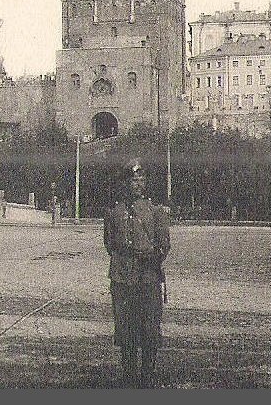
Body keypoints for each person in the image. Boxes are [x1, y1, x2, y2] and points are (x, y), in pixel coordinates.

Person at [103, 159, 170, 388]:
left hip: (148, 277)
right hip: (122, 277)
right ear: (125, 182)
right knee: (125, 326)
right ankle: (129, 374)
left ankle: (148, 374)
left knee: (150, 326)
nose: (138, 184)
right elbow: (110, 244)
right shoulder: (114, 210)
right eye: (134, 179)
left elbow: (164, 245)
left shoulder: (155, 211)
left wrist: (151, 257)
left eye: (142, 179)